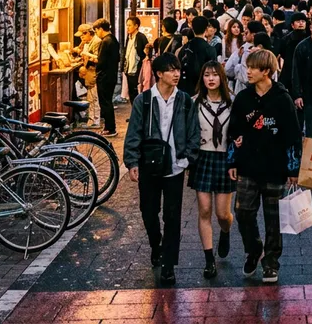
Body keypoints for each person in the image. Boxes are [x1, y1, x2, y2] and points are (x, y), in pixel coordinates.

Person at [124, 52, 201, 286]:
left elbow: (194, 132)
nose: (176, 74)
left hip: (175, 167)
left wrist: (188, 158)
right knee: (148, 211)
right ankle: (155, 243)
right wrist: (132, 161)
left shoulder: (185, 100)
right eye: (171, 70)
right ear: (159, 73)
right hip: (149, 165)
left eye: (177, 69)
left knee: (172, 216)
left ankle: (168, 264)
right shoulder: (144, 100)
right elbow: (134, 132)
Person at [228, 49, 302, 284]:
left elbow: (293, 136)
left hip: (275, 167)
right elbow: (233, 131)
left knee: (274, 219)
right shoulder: (243, 98)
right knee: (243, 213)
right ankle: (253, 249)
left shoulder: (282, 98)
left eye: (253, 68)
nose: (248, 71)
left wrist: (293, 169)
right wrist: (232, 160)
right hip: (247, 165)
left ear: (266, 71)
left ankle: (271, 262)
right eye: (247, 67)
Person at [190, 62, 235, 280]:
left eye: (215, 75)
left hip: (225, 159)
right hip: (203, 158)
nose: (211, 79)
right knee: (205, 210)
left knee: (222, 214)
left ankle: (225, 231)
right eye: (207, 75)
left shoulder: (232, 103)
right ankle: (209, 260)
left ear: (222, 78)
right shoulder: (195, 103)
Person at [93, 18, 120, 136]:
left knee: (105, 102)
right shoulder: (113, 39)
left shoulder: (105, 41)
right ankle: (110, 127)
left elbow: (101, 61)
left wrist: (94, 61)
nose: (96, 33)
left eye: (96, 31)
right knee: (108, 101)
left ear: (100, 29)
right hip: (111, 75)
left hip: (104, 76)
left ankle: (109, 128)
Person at [226, 20, 265, 94]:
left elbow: (228, 69)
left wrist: (237, 66)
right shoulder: (267, 50)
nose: (244, 34)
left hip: (244, 90)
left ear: (253, 35)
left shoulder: (246, 50)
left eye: (247, 32)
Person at [74, 23, 100, 127]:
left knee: (94, 98)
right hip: (89, 73)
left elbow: (98, 58)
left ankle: (95, 120)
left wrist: (86, 55)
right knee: (91, 98)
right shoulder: (87, 42)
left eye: (83, 35)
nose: (82, 37)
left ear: (89, 33)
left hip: (94, 73)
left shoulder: (96, 42)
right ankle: (92, 119)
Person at [278, 12, 309, 90]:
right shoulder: (286, 39)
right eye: (298, 21)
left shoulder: (310, 38)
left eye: (303, 21)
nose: (301, 23)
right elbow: (282, 54)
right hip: (289, 71)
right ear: (292, 25)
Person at [123, 16, 149, 105]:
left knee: (138, 93)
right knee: (131, 93)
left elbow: (145, 53)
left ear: (136, 26)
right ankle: (134, 110)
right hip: (128, 70)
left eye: (130, 25)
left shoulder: (141, 37)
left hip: (137, 70)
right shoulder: (128, 37)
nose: (127, 27)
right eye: (127, 25)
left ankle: (139, 111)